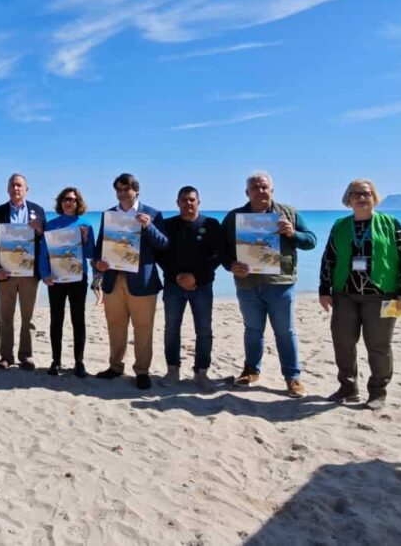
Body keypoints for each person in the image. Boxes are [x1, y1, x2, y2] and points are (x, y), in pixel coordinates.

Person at [319, 179, 401, 410]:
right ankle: (348, 388)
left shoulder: (391, 224)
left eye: (366, 193)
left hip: (381, 294)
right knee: (343, 343)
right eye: (356, 194)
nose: (361, 198)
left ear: (374, 197)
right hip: (345, 294)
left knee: (379, 345)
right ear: (348, 199)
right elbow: (329, 258)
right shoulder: (340, 226)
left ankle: (377, 392)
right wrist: (324, 290)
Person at [222, 171, 316, 398]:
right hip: (247, 283)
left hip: (280, 283)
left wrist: (293, 234)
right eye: (255, 187)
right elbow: (221, 249)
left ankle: (292, 377)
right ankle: (251, 370)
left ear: (272, 191)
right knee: (253, 330)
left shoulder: (289, 213)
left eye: (264, 187)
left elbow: (311, 241)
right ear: (247, 192)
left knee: (285, 331)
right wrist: (230, 265)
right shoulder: (235, 217)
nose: (260, 191)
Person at [93, 173, 169, 390]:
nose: (122, 193)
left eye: (126, 189)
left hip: (142, 282)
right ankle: (116, 366)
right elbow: (101, 246)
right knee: (115, 326)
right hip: (113, 279)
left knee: (143, 328)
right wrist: (98, 263)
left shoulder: (152, 214)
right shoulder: (109, 215)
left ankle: (142, 371)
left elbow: (164, 245)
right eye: (118, 189)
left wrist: (149, 227)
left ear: (136, 190)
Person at [157, 185, 225, 391]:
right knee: (171, 329)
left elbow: (218, 255)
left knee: (204, 330)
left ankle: (201, 372)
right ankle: (172, 369)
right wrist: (178, 276)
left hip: (202, 286)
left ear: (198, 202)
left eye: (192, 200)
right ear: (177, 203)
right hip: (173, 285)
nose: (188, 203)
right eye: (184, 200)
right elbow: (161, 254)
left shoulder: (211, 224)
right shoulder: (167, 225)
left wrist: (195, 277)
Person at [0, 173, 47, 370]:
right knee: (6, 317)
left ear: (26, 189)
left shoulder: (38, 211)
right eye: (13, 185)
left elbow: (45, 242)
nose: (16, 189)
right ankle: (6, 356)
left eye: (20, 185)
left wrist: (40, 231)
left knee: (28, 318)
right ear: (7, 189)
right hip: (5, 273)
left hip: (30, 274)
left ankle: (26, 356)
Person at [37, 186, 94, 377]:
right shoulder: (52, 225)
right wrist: (44, 274)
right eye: (65, 199)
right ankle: (56, 361)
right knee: (57, 319)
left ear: (78, 203)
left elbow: (90, 254)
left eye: (72, 199)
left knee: (78, 319)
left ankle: (79, 362)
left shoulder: (85, 224)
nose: (69, 202)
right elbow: (44, 252)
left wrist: (85, 239)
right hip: (56, 278)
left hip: (78, 278)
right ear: (60, 203)